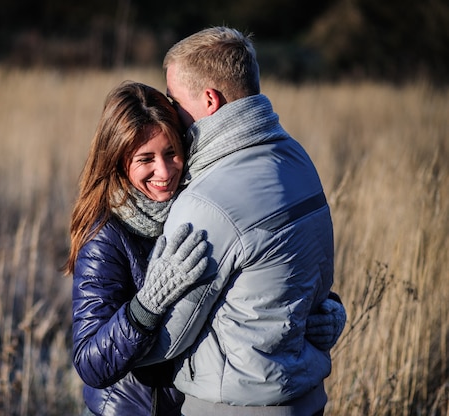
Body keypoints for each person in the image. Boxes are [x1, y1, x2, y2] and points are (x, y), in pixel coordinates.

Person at [65, 81, 346, 416]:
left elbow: (247, 285)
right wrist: (146, 305)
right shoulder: (106, 235)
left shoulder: (201, 207)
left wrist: (324, 308)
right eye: (145, 159)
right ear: (118, 162)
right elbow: (90, 364)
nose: (165, 171)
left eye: (171, 153)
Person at [138, 26, 344, 416]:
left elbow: (167, 339)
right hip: (307, 396)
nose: (171, 114)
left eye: (173, 101)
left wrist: (120, 335)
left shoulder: (208, 200)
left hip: (234, 403)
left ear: (210, 100)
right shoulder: (297, 159)